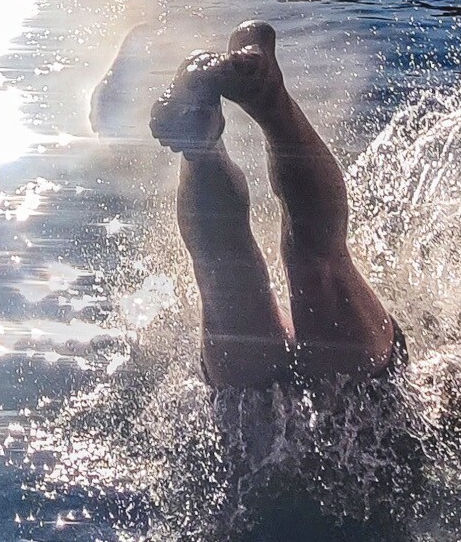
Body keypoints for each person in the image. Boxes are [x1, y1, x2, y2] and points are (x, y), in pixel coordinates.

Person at [150, 21, 401, 389]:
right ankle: (265, 100)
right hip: (367, 399)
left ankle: (202, 142)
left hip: (248, 418)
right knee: (316, 263)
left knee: (226, 269)